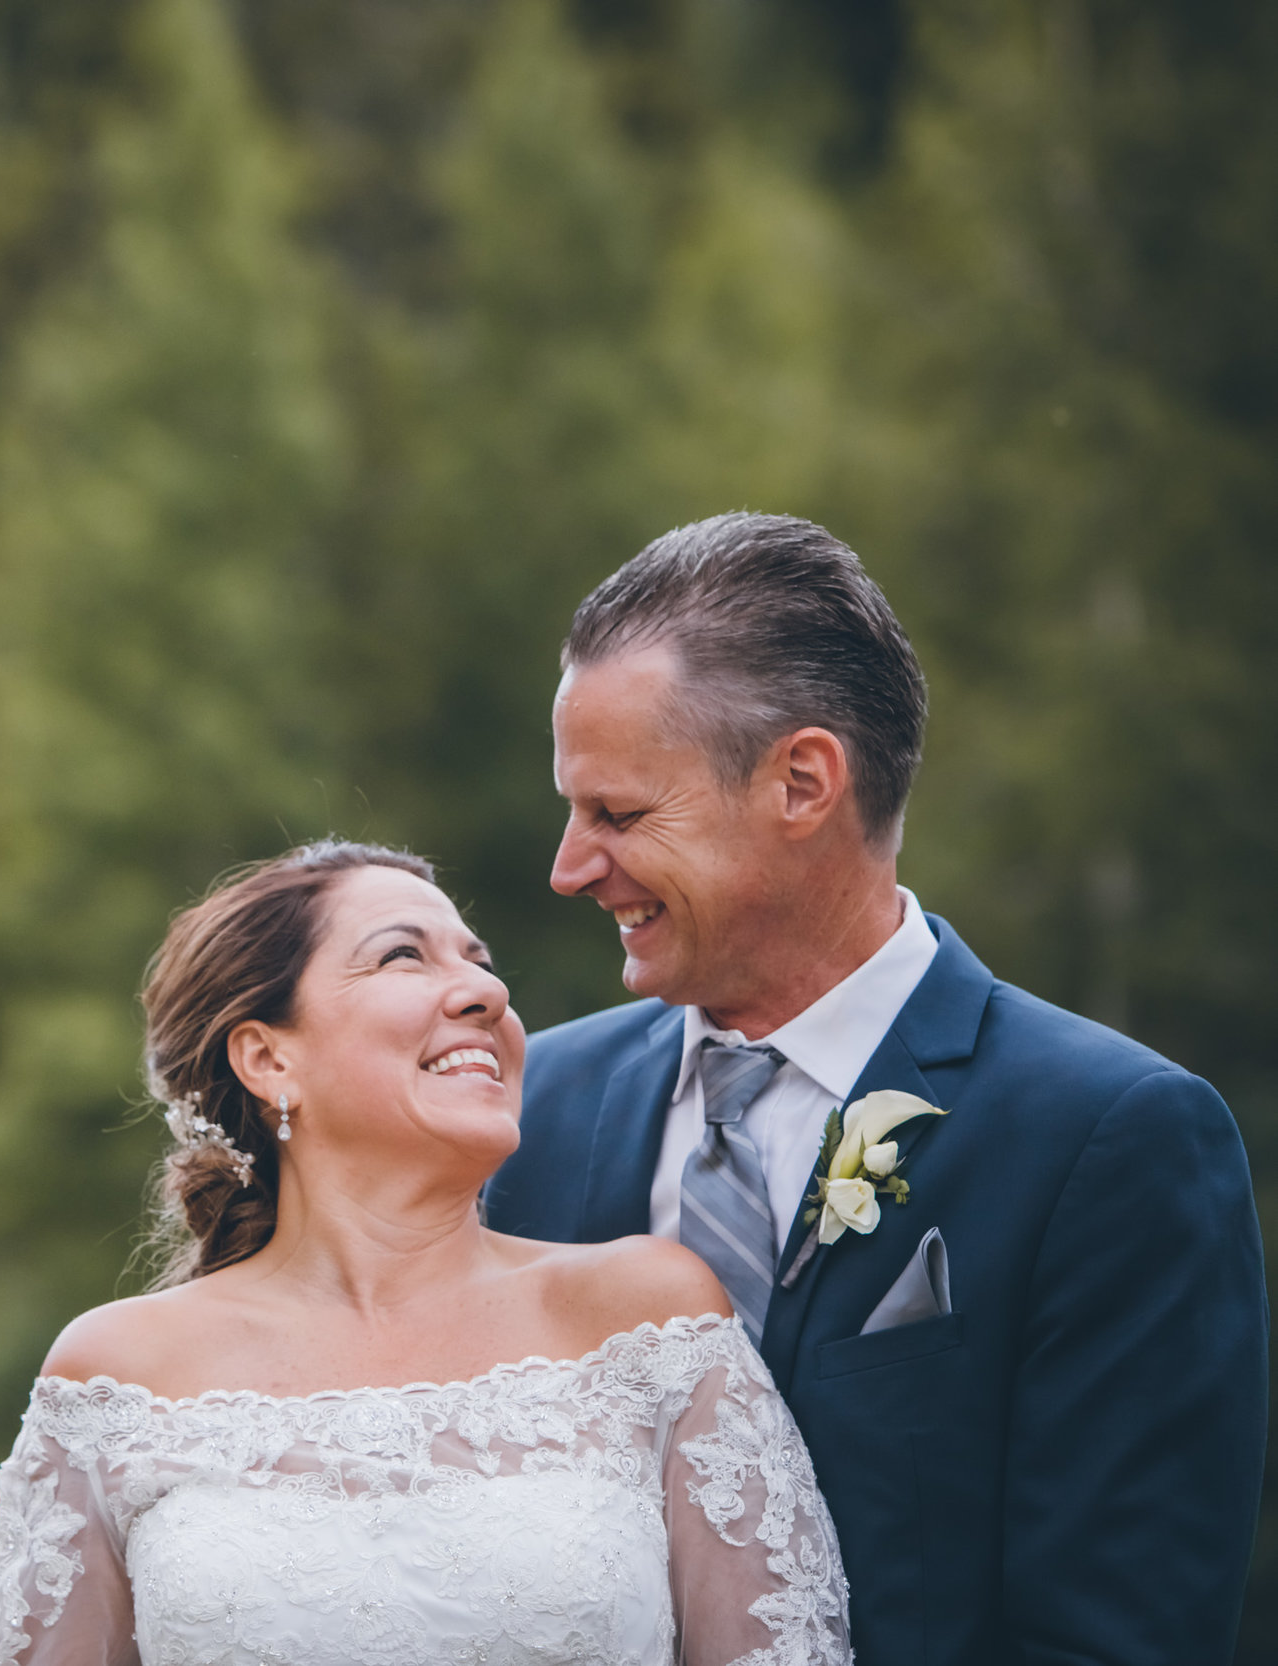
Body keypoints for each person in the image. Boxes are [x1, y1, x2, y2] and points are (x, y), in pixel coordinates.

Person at [486, 513, 1267, 1665]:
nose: (568, 866)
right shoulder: (525, 1110)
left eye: (620, 813)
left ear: (801, 781)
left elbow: (1117, 1635)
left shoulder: (1112, 1137)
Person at [0, 839, 852, 1666]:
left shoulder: (646, 1318)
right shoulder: (117, 1377)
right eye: (404, 956)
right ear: (267, 1058)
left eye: (480, 961)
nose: (485, 994)